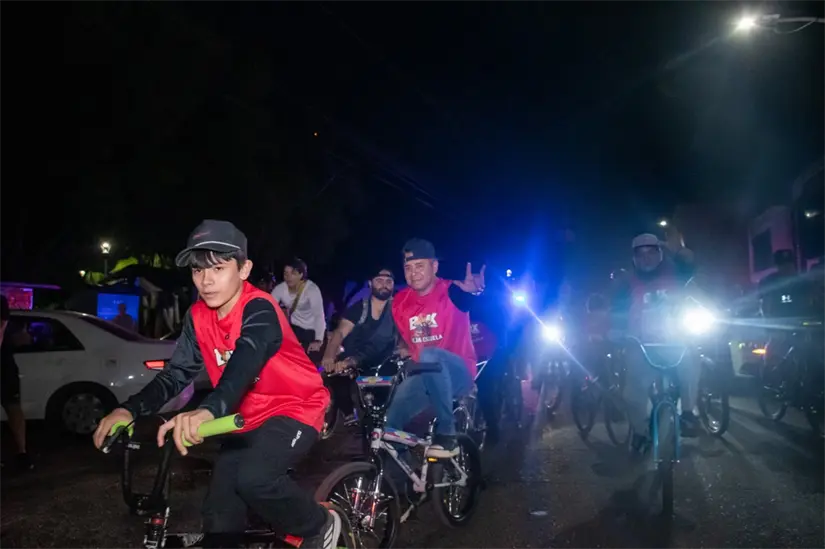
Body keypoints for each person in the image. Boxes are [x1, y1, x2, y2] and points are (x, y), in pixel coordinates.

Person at [92, 220, 340, 549]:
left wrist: (207, 411)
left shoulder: (259, 308)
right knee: (219, 517)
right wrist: (129, 409)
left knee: (255, 480)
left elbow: (244, 361)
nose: (205, 282)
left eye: (218, 269)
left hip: (295, 407)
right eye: (197, 271)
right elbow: (176, 374)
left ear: (244, 269)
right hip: (241, 417)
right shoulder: (197, 316)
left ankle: (320, 524)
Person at [389, 238, 484, 457]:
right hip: (425, 378)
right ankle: (404, 483)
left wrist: (475, 292)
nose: (413, 273)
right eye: (408, 268)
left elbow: (467, 298)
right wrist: (404, 349)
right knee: (390, 427)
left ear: (434, 267)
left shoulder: (451, 291)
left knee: (429, 354)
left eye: (420, 266)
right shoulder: (400, 302)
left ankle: (447, 435)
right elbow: (407, 337)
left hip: (458, 373)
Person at [611, 231, 701, 453]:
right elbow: (615, 312)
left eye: (652, 252)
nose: (646, 258)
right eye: (640, 254)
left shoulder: (676, 272)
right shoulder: (626, 282)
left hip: (675, 343)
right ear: (633, 258)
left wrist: (676, 248)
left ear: (661, 254)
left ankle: (688, 413)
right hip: (640, 347)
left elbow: (688, 260)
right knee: (632, 394)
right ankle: (640, 433)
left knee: (691, 361)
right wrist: (613, 331)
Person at [320, 268, 398, 422]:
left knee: (380, 403)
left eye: (389, 281)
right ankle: (348, 413)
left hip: (380, 359)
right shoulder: (360, 308)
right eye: (379, 280)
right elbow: (340, 332)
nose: (384, 285)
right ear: (370, 284)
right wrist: (329, 355)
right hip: (350, 357)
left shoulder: (398, 308)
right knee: (337, 382)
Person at [0, 294, 33, 472]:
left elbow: (1, 330)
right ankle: (21, 453)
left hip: (3, 366)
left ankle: (22, 453)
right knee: (13, 407)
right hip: (5, 365)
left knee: (13, 407)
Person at [271, 258, 326, 354]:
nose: (288, 277)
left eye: (293, 273)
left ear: (301, 275)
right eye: (285, 273)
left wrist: (318, 340)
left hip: (312, 330)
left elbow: (319, 316)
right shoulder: (280, 289)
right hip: (295, 329)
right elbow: (268, 307)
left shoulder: (312, 290)